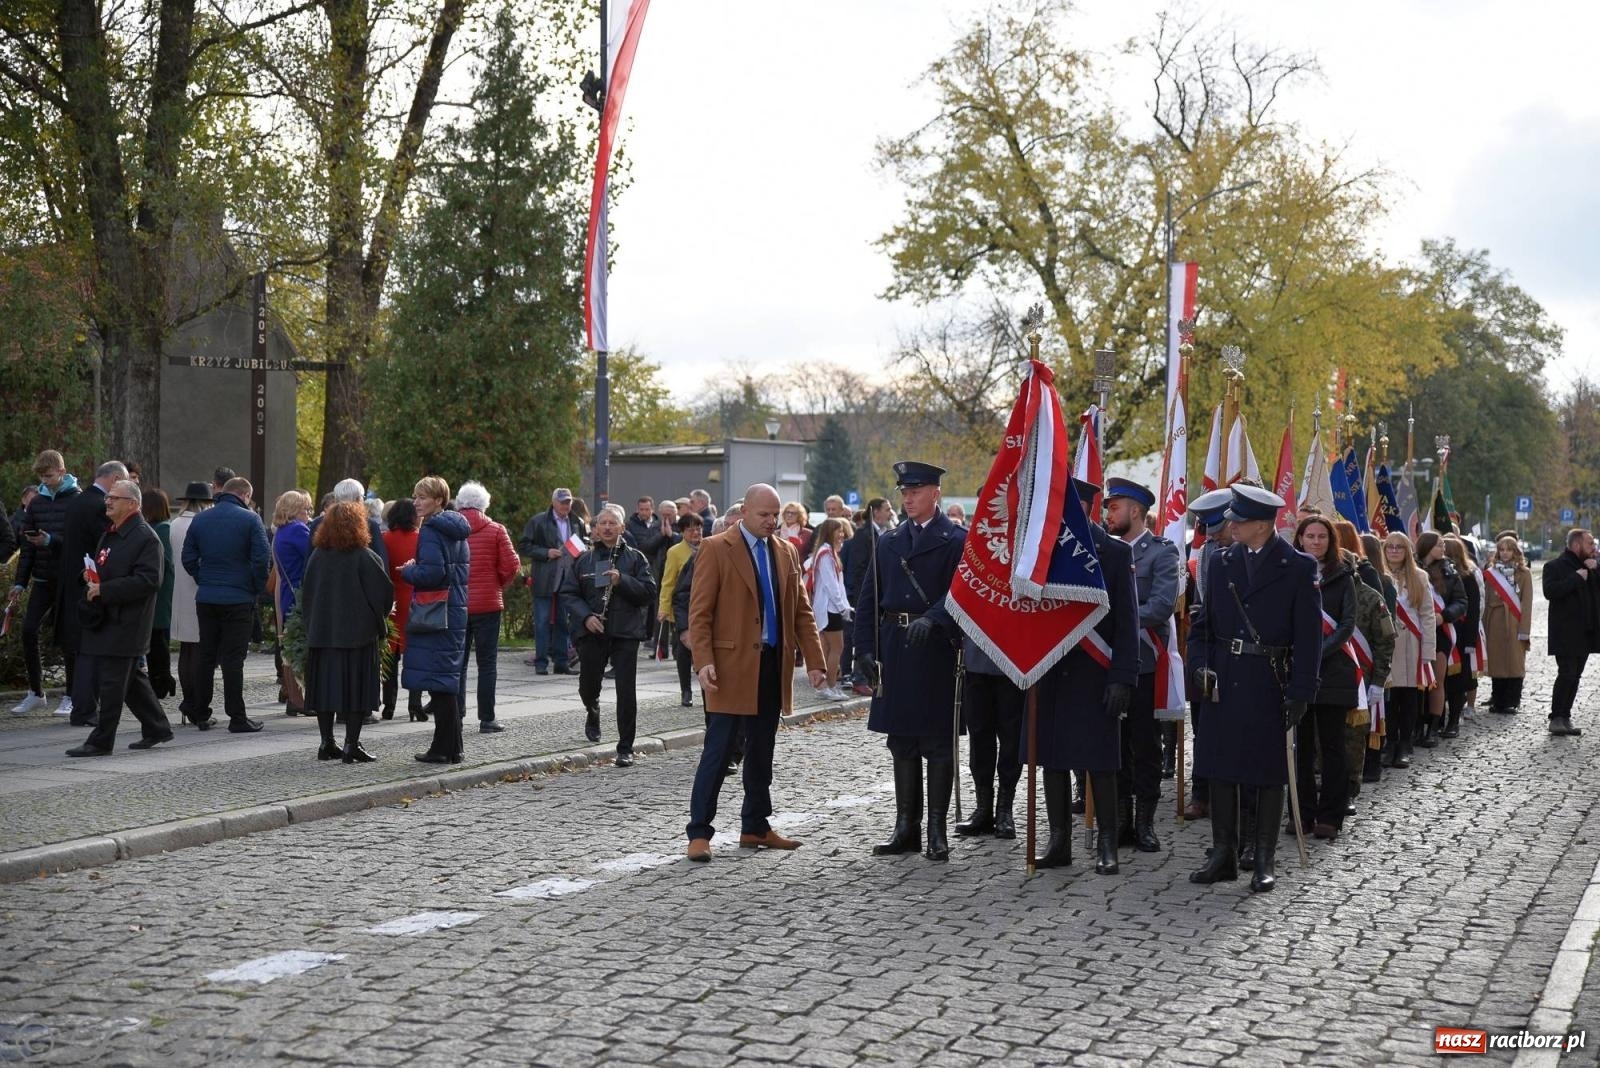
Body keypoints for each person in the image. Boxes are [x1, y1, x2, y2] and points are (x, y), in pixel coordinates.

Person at [1188, 484, 1321, 893]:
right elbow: (1202, 627)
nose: (1231, 526)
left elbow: (1309, 637)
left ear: (1262, 525)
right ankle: (1222, 854)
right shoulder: (1223, 562)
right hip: (1224, 678)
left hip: (1269, 678)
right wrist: (1199, 667)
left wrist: (1301, 691)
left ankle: (1263, 857)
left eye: (1239, 520)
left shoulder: (1296, 567)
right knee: (1220, 769)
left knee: (1267, 772)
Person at [684, 484, 826, 861]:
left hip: (772, 665)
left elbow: (801, 612)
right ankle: (699, 833)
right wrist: (704, 661)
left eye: (775, 514)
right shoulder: (716, 548)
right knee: (718, 751)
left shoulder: (786, 552)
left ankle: (756, 826)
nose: (771, 521)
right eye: (764, 514)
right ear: (745, 511)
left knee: (762, 752)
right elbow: (700, 615)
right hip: (728, 669)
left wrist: (815, 660)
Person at [853, 461, 968, 863]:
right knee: (900, 742)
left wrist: (934, 618)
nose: (907, 499)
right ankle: (907, 827)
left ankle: (937, 830)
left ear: (935, 493)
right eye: (903, 492)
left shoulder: (955, 539)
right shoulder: (889, 541)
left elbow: (964, 592)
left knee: (937, 743)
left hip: (935, 650)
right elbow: (870, 596)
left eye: (915, 491)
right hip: (895, 650)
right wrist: (863, 649)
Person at [1032, 477, 1138, 873]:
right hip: (1052, 669)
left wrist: (1122, 677)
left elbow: (1128, 621)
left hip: (1097, 670)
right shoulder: (1041, 551)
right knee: (1053, 759)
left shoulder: (1112, 551)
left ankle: (1107, 841)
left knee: (1101, 759)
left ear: (1085, 508)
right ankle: (1059, 840)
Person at [64, 480, 174, 756]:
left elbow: (149, 580)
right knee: (132, 680)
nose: (108, 501)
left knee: (111, 684)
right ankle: (157, 727)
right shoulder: (112, 533)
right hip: (108, 618)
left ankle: (100, 741)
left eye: (115, 498)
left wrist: (105, 589)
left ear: (132, 504)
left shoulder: (146, 538)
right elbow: (104, 565)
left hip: (128, 622)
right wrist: (89, 577)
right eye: (108, 497)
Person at [1102, 477, 1179, 853]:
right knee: (1113, 745)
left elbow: (1162, 607)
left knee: (1144, 746)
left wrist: (1117, 621)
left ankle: (1145, 823)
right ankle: (1118, 821)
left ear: (1136, 511)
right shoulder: (1103, 551)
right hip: (1108, 661)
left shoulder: (1161, 552)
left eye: (1114, 507)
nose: (1108, 513)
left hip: (1144, 661)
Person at [559, 504, 657, 766]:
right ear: (596, 528)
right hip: (593, 632)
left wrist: (622, 581)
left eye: (613, 523)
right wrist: (586, 617)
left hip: (625, 632)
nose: (607, 527)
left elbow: (649, 593)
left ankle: (625, 747)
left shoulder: (636, 558)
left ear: (622, 528)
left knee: (626, 691)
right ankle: (592, 709)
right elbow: (568, 593)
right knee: (587, 686)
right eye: (602, 523)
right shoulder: (584, 559)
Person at [299, 501, 393, 763]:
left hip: (322, 634)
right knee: (356, 690)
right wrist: (379, 621)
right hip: (357, 636)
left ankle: (326, 742)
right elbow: (383, 595)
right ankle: (352, 744)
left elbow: (306, 595)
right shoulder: (365, 557)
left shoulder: (317, 556)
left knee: (325, 689)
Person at [181, 476, 271, 733]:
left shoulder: (200, 519)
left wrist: (203, 578)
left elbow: (188, 557)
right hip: (238, 599)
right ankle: (237, 717)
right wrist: (253, 587)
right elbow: (261, 560)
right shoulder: (251, 519)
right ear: (244, 496)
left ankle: (201, 712)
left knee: (205, 656)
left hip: (207, 597)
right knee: (233, 659)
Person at [1290, 515, 1358, 840]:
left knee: (1332, 747)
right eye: (1310, 536)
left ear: (1331, 542)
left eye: (1322, 537)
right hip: (1298, 672)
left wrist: (1317, 652)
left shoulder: (1344, 577)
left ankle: (1330, 815)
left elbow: (1346, 625)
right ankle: (1301, 813)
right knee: (1300, 747)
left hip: (1334, 671)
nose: (1316, 542)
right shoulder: (1288, 573)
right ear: (1300, 539)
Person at [405, 477, 471, 764]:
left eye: (423, 497)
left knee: (439, 682)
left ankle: (443, 748)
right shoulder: (456, 530)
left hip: (436, 613)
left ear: (439, 501)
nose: (417, 502)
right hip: (454, 610)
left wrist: (409, 570)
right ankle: (453, 747)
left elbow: (433, 573)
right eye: (416, 496)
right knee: (447, 681)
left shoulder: (431, 530)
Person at [8, 452, 80, 716]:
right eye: (40, 476)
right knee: (28, 630)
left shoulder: (77, 499)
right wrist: (19, 583)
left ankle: (71, 695)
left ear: (62, 471)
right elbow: (27, 548)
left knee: (68, 637)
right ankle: (36, 692)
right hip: (41, 577)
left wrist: (52, 541)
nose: (45, 481)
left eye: (48, 476)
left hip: (67, 580)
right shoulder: (36, 504)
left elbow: (80, 542)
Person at [59, 460, 127, 725]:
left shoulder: (77, 501)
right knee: (93, 652)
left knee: (83, 651)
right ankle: (87, 708)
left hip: (74, 584)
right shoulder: (100, 506)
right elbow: (105, 546)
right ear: (113, 479)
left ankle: (82, 706)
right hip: (92, 587)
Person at [1180, 487, 1234, 820]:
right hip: (1209, 645)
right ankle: (1202, 792)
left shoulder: (1243, 553)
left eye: (1219, 528)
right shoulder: (1207, 552)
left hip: (1236, 652)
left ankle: (1228, 794)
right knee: (1203, 727)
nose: (1214, 534)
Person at [455, 481, 519, 733]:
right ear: (484, 504)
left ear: (460, 503)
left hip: (457, 603)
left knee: (457, 663)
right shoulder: (496, 529)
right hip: (489, 604)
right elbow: (512, 564)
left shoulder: (451, 530)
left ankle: (456, 715)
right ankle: (487, 718)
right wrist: (497, 584)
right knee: (487, 662)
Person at [1381, 532, 1436, 768]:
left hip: (1412, 643)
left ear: (1407, 551)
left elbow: (1427, 615)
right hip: (1387, 644)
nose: (1394, 551)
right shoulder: (1378, 575)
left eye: (1399, 547)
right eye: (1389, 547)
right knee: (1389, 699)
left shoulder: (1420, 577)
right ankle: (1389, 743)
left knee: (1409, 697)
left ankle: (1405, 744)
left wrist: (1428, 653)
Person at [518, 488, 586, 675]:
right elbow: (524, 545)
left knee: (564, 622)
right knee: (542, 622)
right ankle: (541, 663)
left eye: (568, 502)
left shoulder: (576, 521)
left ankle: (561, 663)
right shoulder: (538, 521)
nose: (566, 505)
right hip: (545, 576)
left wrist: (581, 549)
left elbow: (584, 541)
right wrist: (546, 553)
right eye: (563, 502)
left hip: (568, 576)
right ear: (553, 502)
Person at [1543, 528, 1600, 737]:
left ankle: (1565, 716)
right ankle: (1556, 717)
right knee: (1566, 673)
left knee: (1575, 675)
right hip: (1565, 632)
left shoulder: (1591, 566)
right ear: (1576, 546)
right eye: (1590, 544)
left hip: (1586, 632)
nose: (1593, 548)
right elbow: (1550, 591)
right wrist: (1576, 578)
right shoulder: (1554, 566)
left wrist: (1597, 568)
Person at [1414, 531, 1467, 748]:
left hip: (1439, 632)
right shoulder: (1412, 569)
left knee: (1436, 681)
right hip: (1413, 631)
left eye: (1444, 545)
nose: (1443, 549)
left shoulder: (1450, 571)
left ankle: (1433, 729)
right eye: (1438, 545)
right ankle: (1416, 727)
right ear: (1427, 547)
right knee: (1415, 684)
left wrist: (1444, 616)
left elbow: (1461, 601)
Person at [167, 482, 212, 725]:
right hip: (198, 588)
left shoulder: (175, 524)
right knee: (199, 651)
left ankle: (188, 701)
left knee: (186, 650)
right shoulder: (202, 524)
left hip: (179, 590)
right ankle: (195, 703)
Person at [380, 499, 426, 721]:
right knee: (415, 655)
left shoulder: (384, 539)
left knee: (390, 655)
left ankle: (388, 705)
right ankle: (414, 705)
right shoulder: (421, 539)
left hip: (391, 600)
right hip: (414, 599)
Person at [269, 490, 313, 716]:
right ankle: (298, 699)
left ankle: (293, 697)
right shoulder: (297, 530)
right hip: (299, 597)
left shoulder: (281, 532)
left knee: (288, 650)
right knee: (296, 650)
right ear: (293, 511)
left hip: (287, 595)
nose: (309, 514)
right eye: (306, 509)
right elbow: (315, 553)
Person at [844, 497, 893, 697]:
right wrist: (860, 598)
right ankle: (859, 678)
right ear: (876, 512)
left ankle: (868, 676)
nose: (890, 513)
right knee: (862, 636)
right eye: (887, 509)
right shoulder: (864, 535)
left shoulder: (880, 532)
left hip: (878, 595)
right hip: (864, 595)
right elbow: (858, 568)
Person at [1483, 533, 1534, 715]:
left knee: (1514, 661)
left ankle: (1512, 701)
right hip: (1495, 620)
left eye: (1509, 549)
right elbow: (1486, 600)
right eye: (1501, 550)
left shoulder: (1524, 573)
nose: (1505, 553)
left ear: (1515, 551)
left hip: (1514, 620)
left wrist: (1524, 629)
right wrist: (1484, 627)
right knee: (1497, 661)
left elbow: (1527, 603)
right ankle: (1498, 700)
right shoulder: (1491, 573)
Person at [804, 517, 853, 700]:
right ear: (828, 533)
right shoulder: (826, 554)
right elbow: (831, 585)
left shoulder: (829, 552)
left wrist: (844, 605)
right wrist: (843, 607)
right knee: (836, 648)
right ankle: (830, 686)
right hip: (829, 609)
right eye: (837, 531)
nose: (841, 534)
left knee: (826, 648)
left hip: (830, 607)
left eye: (842, 530)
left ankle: (823, 686)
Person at [659, 512, 704, 708]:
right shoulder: (675, 551)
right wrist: (664, 608)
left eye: (698, 528)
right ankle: (686, 690)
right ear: (683, 532)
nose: (695, 532)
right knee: (683, 650)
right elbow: (668, 582)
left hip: (701, 606)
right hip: (681, 608)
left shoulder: (708, 547)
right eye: (690, 529)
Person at [1440, 534, 1483, 738]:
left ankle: (1453, 719)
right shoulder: (1434, 574)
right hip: (1442, 631)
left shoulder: (1466, 577)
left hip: (1461, 632)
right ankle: (1438, 718)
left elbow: (1473, 611)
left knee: (1457, 680)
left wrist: (1470, 641)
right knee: (1440, 679)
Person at [141, 488, 178, 700]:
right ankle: (161, 679)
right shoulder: (157, 527)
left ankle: (162, 679)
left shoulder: (162, 529)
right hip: (158, 590)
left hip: (160, 592)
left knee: (157, 640)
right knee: (155, 639)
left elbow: (163, 564)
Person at [623, 496, 667, 580]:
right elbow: (642, 547)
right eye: (641, 509)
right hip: (639, 566)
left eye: (647, 509)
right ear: (637, 509)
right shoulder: (630, 525)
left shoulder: (660, 524)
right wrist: (661, 535)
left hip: (658, 566)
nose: (643, 512)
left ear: (652, 509)